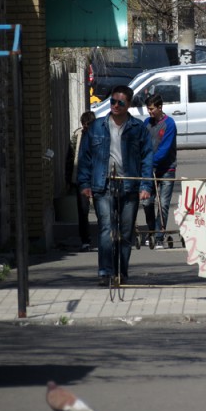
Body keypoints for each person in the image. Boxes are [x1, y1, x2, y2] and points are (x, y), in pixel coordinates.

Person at [78, 85, 153, 286]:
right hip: (103, 185)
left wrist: (146, 186)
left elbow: (147, 158)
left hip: (129, 185)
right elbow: (85, 157)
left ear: (128, 105)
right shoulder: (96, 127)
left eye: (121, 103)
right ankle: (106, 272)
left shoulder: (138, 129)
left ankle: (121, 272)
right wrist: (84, 184)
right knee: (106, 229)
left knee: (126, 232)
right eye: (113, 101)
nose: (115, 106)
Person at [142, 94, 177, 250]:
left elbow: (165, 148)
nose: (149, 112)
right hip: (149, 169)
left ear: (159, 107)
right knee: (147, 201)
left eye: (151, 109)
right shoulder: (146, 124)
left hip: (166, 169)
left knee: (163, 203)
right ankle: (151, 230)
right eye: (148, 109)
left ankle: (159, 236)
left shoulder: (169, 124)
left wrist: (151, 163)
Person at [66, 111, 96, 252]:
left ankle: (105, 238)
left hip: (98, 178)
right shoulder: (77, 136)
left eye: (88, 125)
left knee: (102, 210)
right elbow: (70, 158)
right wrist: (69, 179)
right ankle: (85, 240)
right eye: (84, 125)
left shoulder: (101, 135)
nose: (86, 127)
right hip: (81, 179)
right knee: (83, 211)